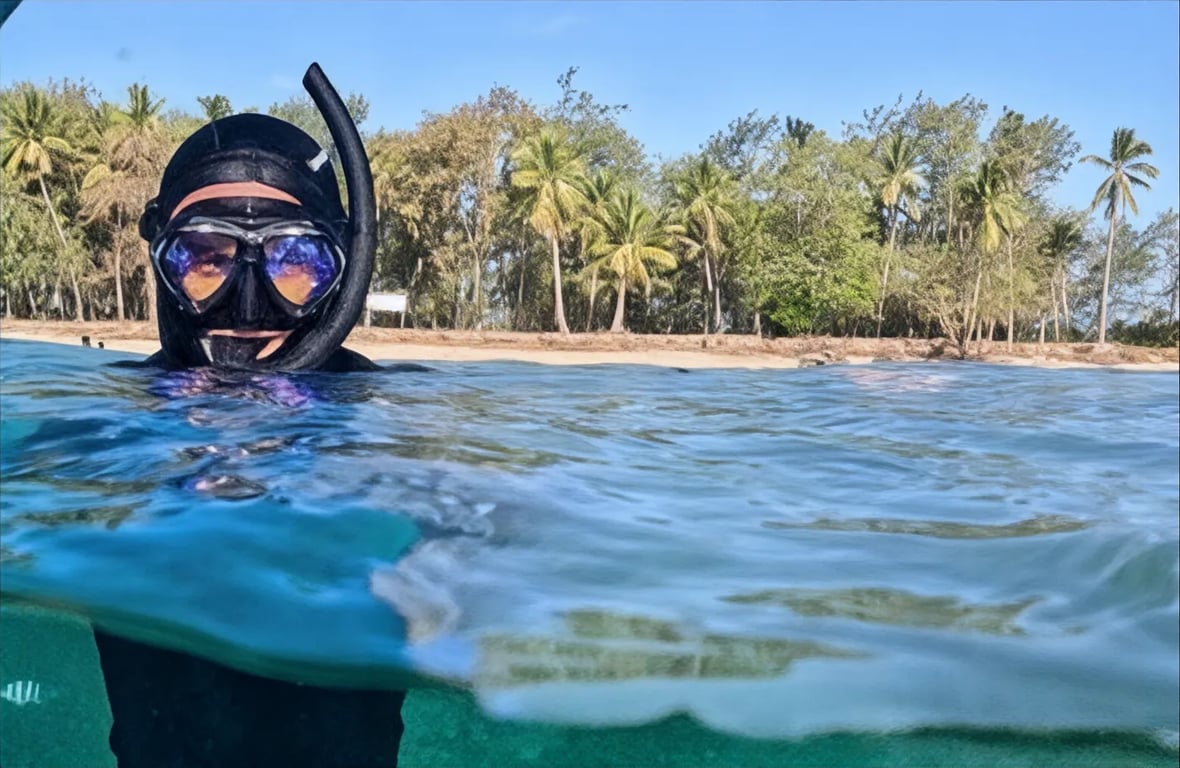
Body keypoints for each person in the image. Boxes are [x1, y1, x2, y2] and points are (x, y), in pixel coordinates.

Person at [93, 63, 409, 768]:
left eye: (297, 262)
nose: (245, 310)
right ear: (158, 259)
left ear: (347, 272)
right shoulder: (106, 427)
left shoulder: (392, 427)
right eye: (203, 258)